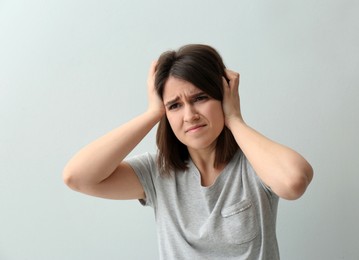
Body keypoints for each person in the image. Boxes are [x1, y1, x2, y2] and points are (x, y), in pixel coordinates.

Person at [63, 44, 313, 259]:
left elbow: (294, 182)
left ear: (224, 96)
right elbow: (77, 177)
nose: (189, 115)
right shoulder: (157, 173)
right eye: (174, 105)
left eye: (200, 98)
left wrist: (235, 119)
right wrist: (153, 114)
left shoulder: (255, 165)